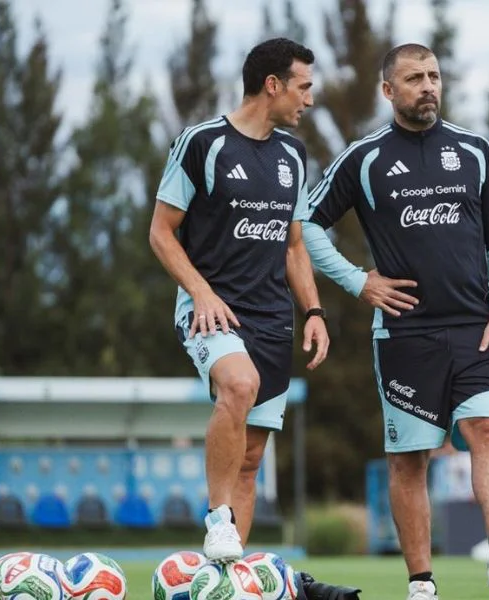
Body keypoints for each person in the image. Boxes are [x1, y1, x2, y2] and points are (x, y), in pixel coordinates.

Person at [299, 43, 489, 599]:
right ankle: (421, 585)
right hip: (404, 334)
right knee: (409, 460)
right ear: (388, 90)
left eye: (434, 75)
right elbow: (306, 224)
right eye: (414, 78)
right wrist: (357, 280)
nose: (428, 85)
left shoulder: (475, 150)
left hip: (477, 327)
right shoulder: (364, 156)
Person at [149, 38, 330, 563]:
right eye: (304, 87)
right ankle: (218, 517)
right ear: (272, 85)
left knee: (250, 461)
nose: (309, 101)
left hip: (273, 320)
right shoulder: (201, 142)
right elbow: (161, 232)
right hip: (212, 310)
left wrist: (314, 311)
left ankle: (226, 581)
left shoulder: (293, 155)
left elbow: (293, 244)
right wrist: (200, 291)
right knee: (239, 382)